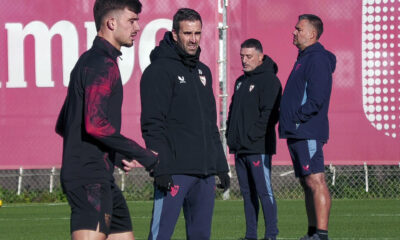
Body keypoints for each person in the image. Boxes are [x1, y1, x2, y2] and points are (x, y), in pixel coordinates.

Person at [55, 0, 158, 239]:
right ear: (111, 23)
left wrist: (117, 154)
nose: (137, 27)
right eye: (132, 20)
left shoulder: (90, 61)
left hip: (100, 177)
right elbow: (95, 124)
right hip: (89, 179)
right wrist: (146, 157)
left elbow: (64, 123)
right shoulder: (101, 64)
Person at [140, 8, 230, 240]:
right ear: (174, 34)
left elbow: (211, 124)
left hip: (204, 173)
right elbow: (152, 124)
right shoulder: (158, 71)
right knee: (160, 236)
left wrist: (220, 165)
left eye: (197, 33)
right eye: (187, 33)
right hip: (174, 171)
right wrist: (160, 166)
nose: (193, 39)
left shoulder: (203, 72)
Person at [279, 14, 336, 240]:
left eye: (299, 29)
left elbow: (317, 98)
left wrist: (297, 118)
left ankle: (321, 235)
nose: (294, 32)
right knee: (306, 182)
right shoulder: (304, 57)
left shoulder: (317, 59)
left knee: (316, 180)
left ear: (312, 34)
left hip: (307, 130)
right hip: (298, 131)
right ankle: (312, 232)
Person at [226, 39, 281, 240]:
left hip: (258, 147)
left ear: (260, 57)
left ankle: (271, 235)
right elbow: (232, 111)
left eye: (249, 56)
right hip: (240, 148)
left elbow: (270, 114)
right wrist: (231, 136)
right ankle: (251, 235)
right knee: (247, 194)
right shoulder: (241, 81)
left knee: (263, 191)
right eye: (242, 56)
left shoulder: (270, 80)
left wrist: (252, 136)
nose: (244, 60)